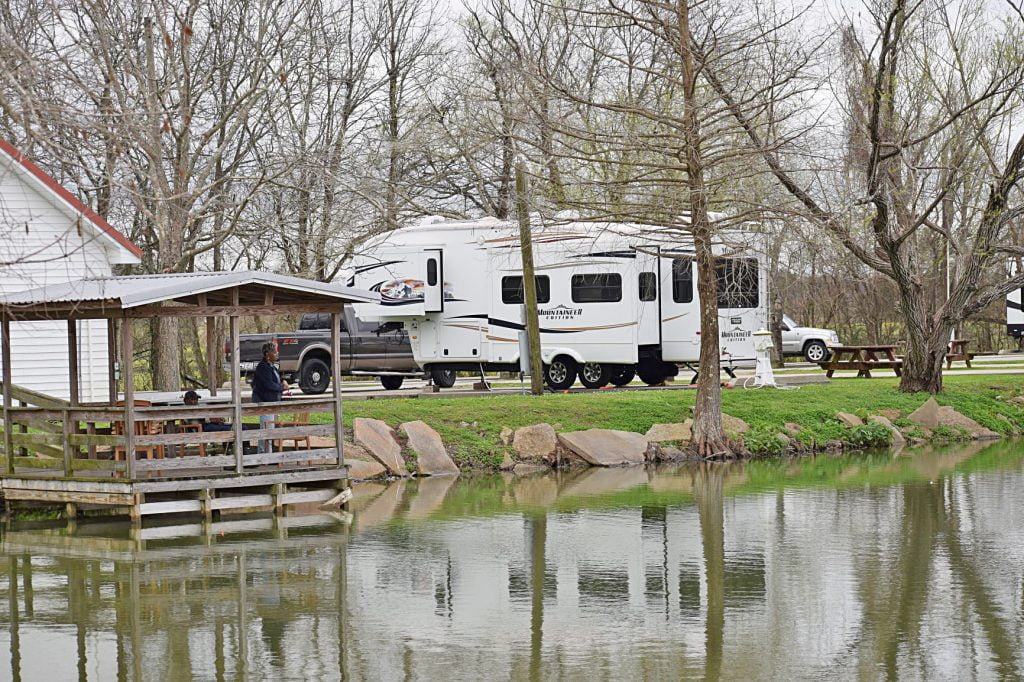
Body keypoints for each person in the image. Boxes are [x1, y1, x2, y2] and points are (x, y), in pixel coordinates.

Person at [251, 342, 291, 453]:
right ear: (267, 354)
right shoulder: (262, 367)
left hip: (273, 402)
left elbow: (276, 380)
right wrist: (282, 387)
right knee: (266, 429)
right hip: (265, 402)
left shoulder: (272, 366)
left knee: (270, 430)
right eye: (274, 352)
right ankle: (263, 455)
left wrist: (283, 381)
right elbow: (269, 385)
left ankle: (269, 454)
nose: (277, 354)